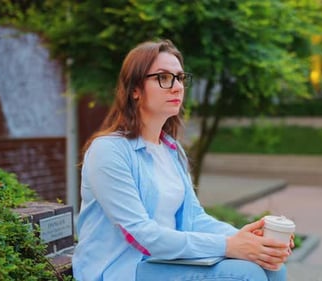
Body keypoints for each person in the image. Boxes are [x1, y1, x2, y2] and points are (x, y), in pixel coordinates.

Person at [72, 39, 293, 281]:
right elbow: (141, 234)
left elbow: (194, 218)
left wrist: (252, 242)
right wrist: (229, 246)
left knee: (273, 267)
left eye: (179, 78)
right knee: (245, 274)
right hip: (122, 267)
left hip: (164, 261)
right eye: (164, 78)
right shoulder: (109, 151)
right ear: (135, 89)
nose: (177, 87)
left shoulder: (171, 148)